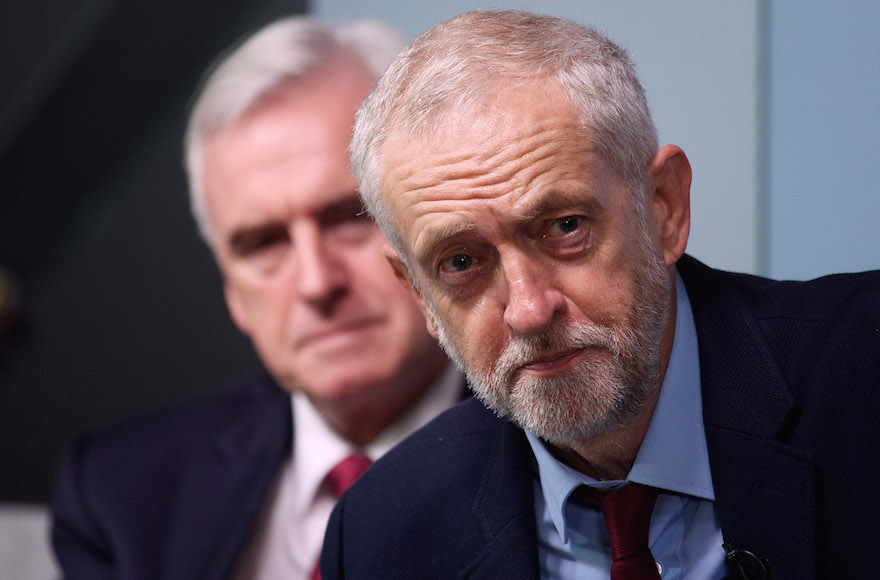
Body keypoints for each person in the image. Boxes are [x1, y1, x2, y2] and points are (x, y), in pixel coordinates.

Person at [321, 10, 880, 580]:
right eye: (461, 262)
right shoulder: (383, 535)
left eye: (565, 227)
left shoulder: (864, 373)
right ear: (420, 295)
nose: (530, 310)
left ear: (664, 208)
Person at [51, 16, 462, 580]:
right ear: (232, 292)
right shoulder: (121, 494)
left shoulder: (571, 454)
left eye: (350, 218)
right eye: (264, 243)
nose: (318, 283)